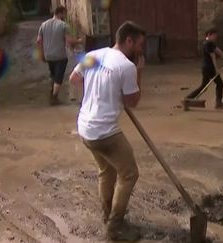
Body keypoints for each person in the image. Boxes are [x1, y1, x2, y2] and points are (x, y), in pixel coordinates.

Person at [69, 21, 145, 241]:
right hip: (104, 133)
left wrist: (94, 93)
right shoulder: (127, 66)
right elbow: (132, 101)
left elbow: (74, 79)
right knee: (130, 173)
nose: (141, 50)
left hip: (84, 127)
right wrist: (139, 73)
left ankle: (107, 214)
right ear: (128, 40)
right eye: (139, 45)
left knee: (107, 171)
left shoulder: (93, 54)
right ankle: (115, 226)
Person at [36, 5, 83, 106]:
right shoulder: (63, 25)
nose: (65, 16)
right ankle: (54, 98)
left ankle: (52, 93)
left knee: (53, 75)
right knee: (58, 77)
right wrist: (79, 41)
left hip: (48, 56)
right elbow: (69, 41)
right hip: (60, 56)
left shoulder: (43, 25)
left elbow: (39, 41)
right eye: (64, 14)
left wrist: (41, 54)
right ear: (61, 13)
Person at [183, 28, 223, 109]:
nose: (216, 37)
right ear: (209, 35)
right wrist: (216, 69)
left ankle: (187, 99)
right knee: (218, 84)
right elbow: (212, 56)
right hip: (209, 68)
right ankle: (188, 99)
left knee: (208, 85)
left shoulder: (210, 43)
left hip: (207, 67)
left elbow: (217, 50)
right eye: (214, 35)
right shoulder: (207, 44)